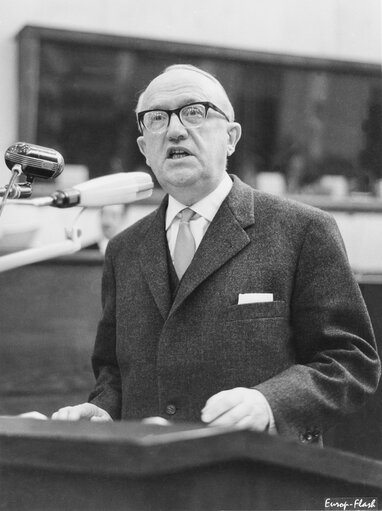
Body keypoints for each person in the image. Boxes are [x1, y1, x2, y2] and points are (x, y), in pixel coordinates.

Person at [52, 64, 380, 444]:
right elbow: (114, 371)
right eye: (157, 119)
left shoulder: (302, 230)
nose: (175, 130)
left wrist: (270, 403)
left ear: (230, 137)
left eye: (194, 112)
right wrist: (104, 410)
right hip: (148, 480)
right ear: (145, 149)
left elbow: (350, 361)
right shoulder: (125, 250)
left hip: (260, 479)